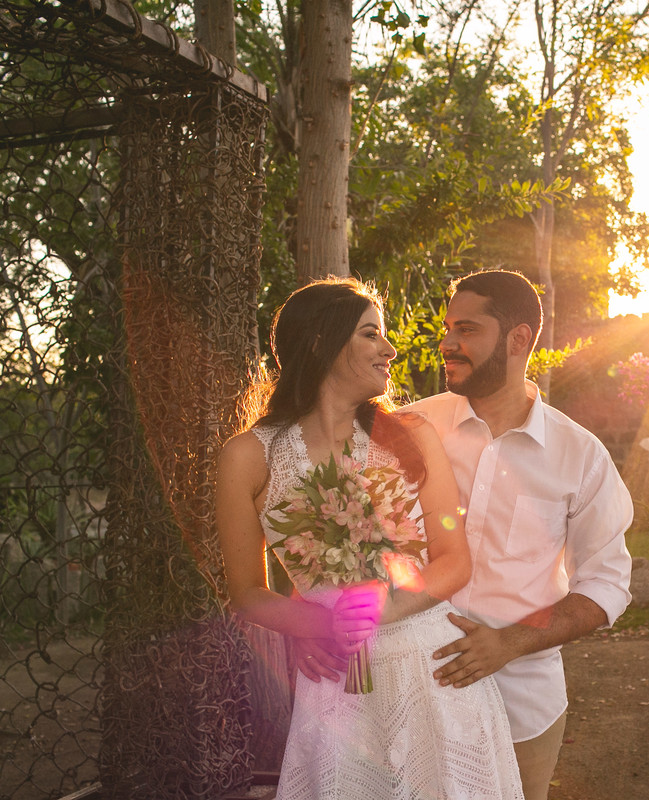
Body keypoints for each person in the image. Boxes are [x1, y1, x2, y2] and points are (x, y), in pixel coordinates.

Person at [215, 277, 523, 800]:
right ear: (321, 342)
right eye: (370, 333)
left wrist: (380, 609)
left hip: (435, 674)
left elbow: (454, 562)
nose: (390, 348)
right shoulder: (247, 456)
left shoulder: (412, 434)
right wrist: (320, 625)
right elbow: (246, 592)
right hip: (336, 689)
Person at [408, 269, 635, 800]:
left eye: (466, 329)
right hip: (407, 700)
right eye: (448, 328)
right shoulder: (409, 428)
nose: (447, 343)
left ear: (518, 339)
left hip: (521, 710)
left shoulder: (580, 455)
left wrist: (509, 642)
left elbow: (606, 584)